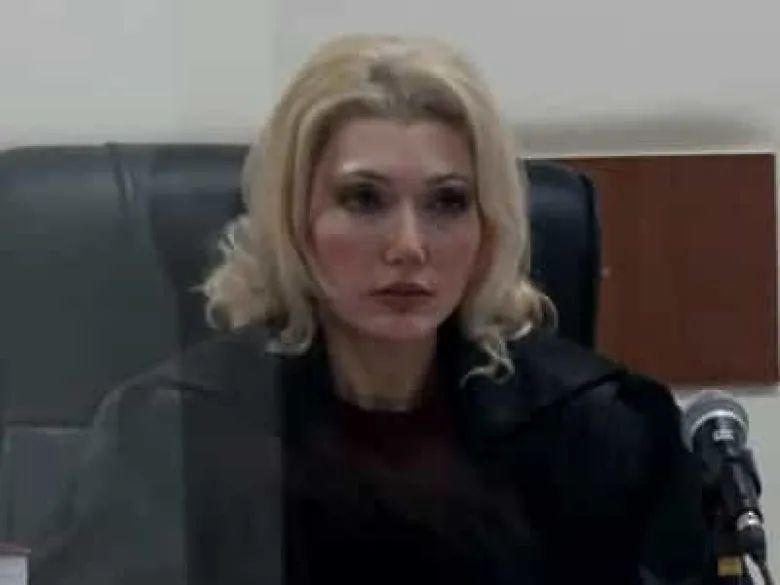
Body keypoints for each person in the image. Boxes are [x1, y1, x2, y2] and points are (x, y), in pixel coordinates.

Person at [29, 34, 714, 585]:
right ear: (294, 219)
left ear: (488, 225)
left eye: (447, 202)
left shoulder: (607, 433)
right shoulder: (171, 438)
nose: (408, 246)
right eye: (364, 200)